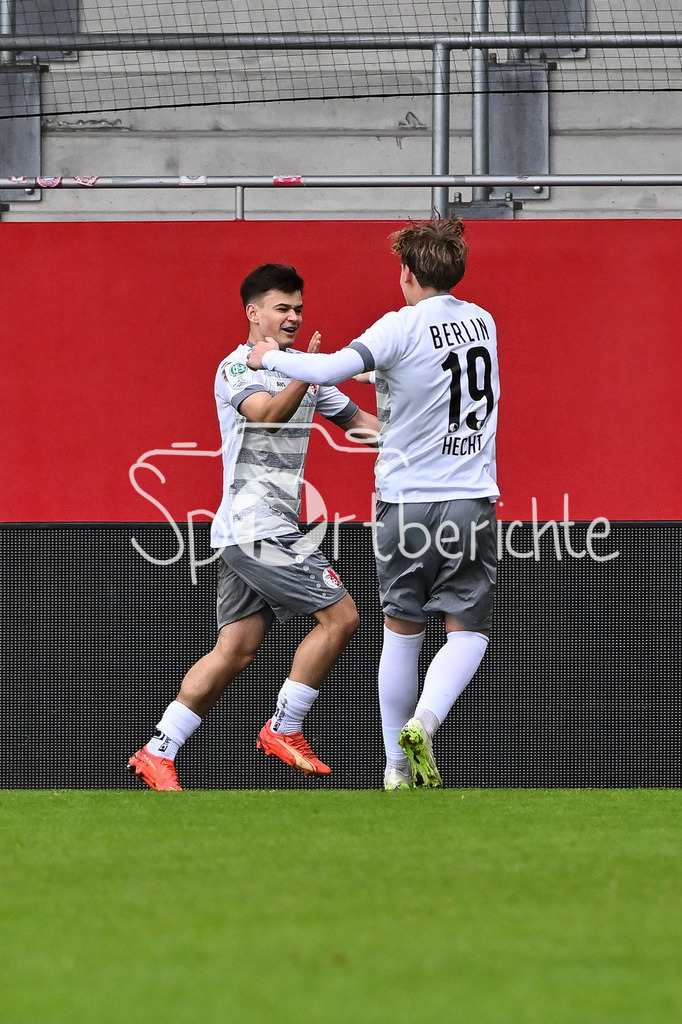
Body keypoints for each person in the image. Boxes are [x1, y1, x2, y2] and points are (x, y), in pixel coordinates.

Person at [247, 219, 499, 791]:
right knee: (468, 630)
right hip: (469, 499)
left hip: (404, 503)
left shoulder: (398, 326)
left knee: (400, 631)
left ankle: (393, 768)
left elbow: (328, 368)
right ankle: (426, 723)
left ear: (407, 273)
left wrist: (268, 357)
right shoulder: (482, 321)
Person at [129, 263, 379, 790]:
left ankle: (158, 749)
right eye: (283, 308)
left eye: (298, 309)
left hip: (251, 530)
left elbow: (361, 426)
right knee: (342, 618)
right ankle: (284, 727)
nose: (293, 317)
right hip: (256, 527)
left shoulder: (304, 370)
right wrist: (300, 372)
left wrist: (422, 437)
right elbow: (266, 415)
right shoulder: (236, 368)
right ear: (254, 312)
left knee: (236, 649)